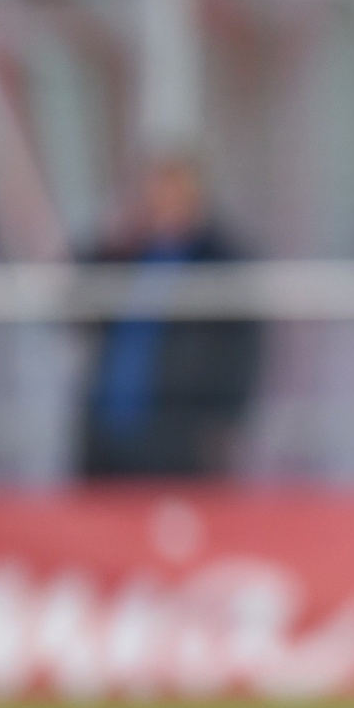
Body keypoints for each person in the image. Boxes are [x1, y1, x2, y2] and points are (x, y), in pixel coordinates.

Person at [78, 156, 263, 479]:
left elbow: (245, 352)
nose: (161, 201)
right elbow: (74, 302)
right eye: (153, 192)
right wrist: (116, 236)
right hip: (109, 435)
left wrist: (224, 423)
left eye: (171, 191)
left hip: (179, 438)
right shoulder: (128, 254)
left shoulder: (219, 261)